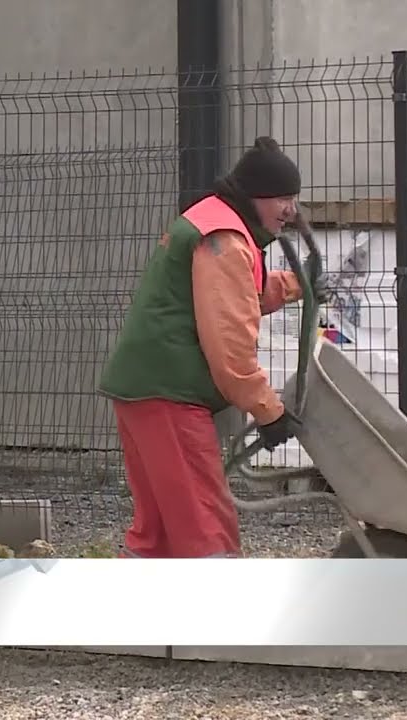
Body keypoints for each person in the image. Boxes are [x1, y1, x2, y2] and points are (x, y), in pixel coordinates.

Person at [97, 136, 330, 559]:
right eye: (283, 199)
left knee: (159, 535)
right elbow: (231, 347)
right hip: (170, 394)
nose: (291, 211)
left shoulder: (216, 223)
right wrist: (269, 410)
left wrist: (298, 285)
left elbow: (235, 294)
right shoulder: (224, 239)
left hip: (145, 388)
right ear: (256, 195)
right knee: (206, 531)